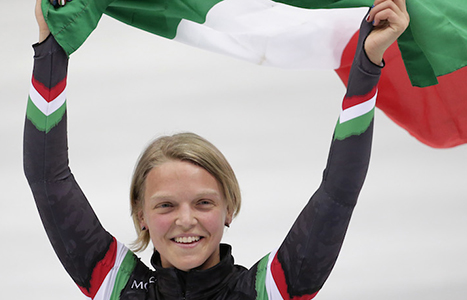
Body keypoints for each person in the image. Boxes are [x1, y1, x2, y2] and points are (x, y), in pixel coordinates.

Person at [24, 0, 409, 299]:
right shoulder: (118, 287)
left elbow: (338, 192)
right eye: (165, 205)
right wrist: (51, 48)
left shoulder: (263, 292)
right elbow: (48, 181)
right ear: (140, 215)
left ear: (229, 209)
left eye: (204, 203)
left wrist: (369, 62)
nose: (186, 220)